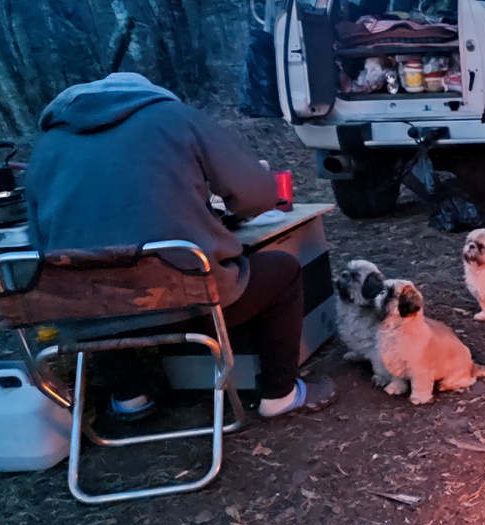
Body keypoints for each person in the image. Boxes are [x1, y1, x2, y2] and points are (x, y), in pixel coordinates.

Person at [24, 72, 335, 419]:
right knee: (282, 269)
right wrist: (226, 213)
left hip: (89, 315)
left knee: (98, 282)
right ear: (149, 93)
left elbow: (39, 244)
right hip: (189, 303)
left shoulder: (46, 145)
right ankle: (279, 393)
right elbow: (258, 194)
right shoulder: (174, 118)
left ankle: (131, 396)